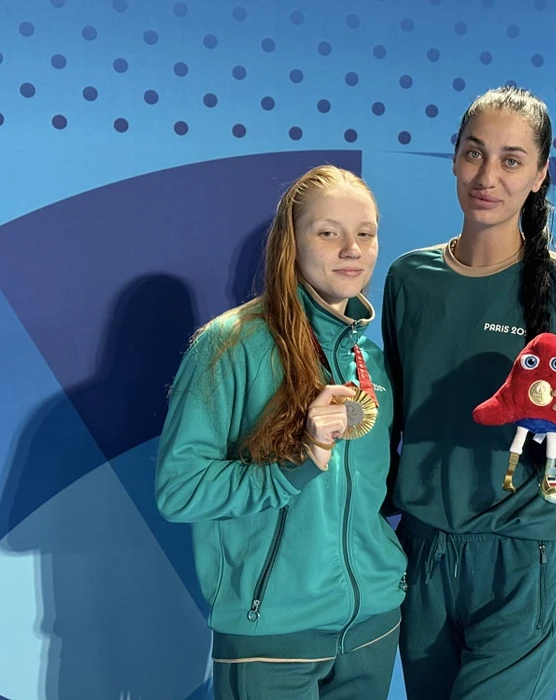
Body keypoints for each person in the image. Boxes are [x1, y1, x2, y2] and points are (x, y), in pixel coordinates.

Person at [382, 86, 556, 699]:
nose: (487, 177)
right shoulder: (408, 279)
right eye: (474, 153)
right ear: (454, 157)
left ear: (540, 174)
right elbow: (391, 424)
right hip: (421, 557)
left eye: (512, 160)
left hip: (521, 561)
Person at [156, 165, 407, 700]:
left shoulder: (372, 360)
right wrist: (295, 465)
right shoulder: (231, 345)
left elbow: (368, 495)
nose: (352, 249)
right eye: (328, 232)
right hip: (272, 635)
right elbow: (181, 490)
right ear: (291, 242)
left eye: (365, 233)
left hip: (373, 627)